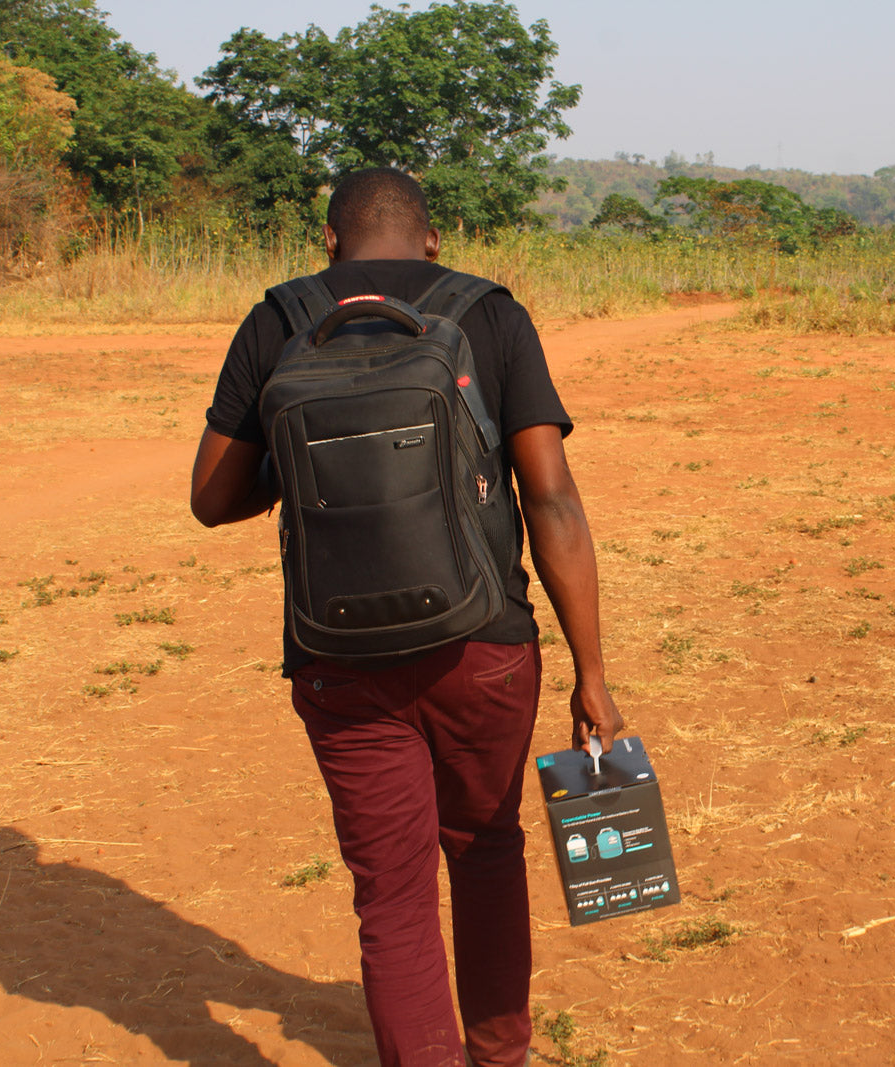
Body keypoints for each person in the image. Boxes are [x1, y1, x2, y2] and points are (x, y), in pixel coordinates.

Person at [190, 167, 622, 1067]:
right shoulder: (489, 311)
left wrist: (309, 465)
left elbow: (211, 497)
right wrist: (593, 672)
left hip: (336, 656)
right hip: (484, 645)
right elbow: (552, 499)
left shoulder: (279, 317)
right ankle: (501, 1053)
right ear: (432, 239)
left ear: (330, 241)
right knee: (488, 849)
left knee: (389, 896)